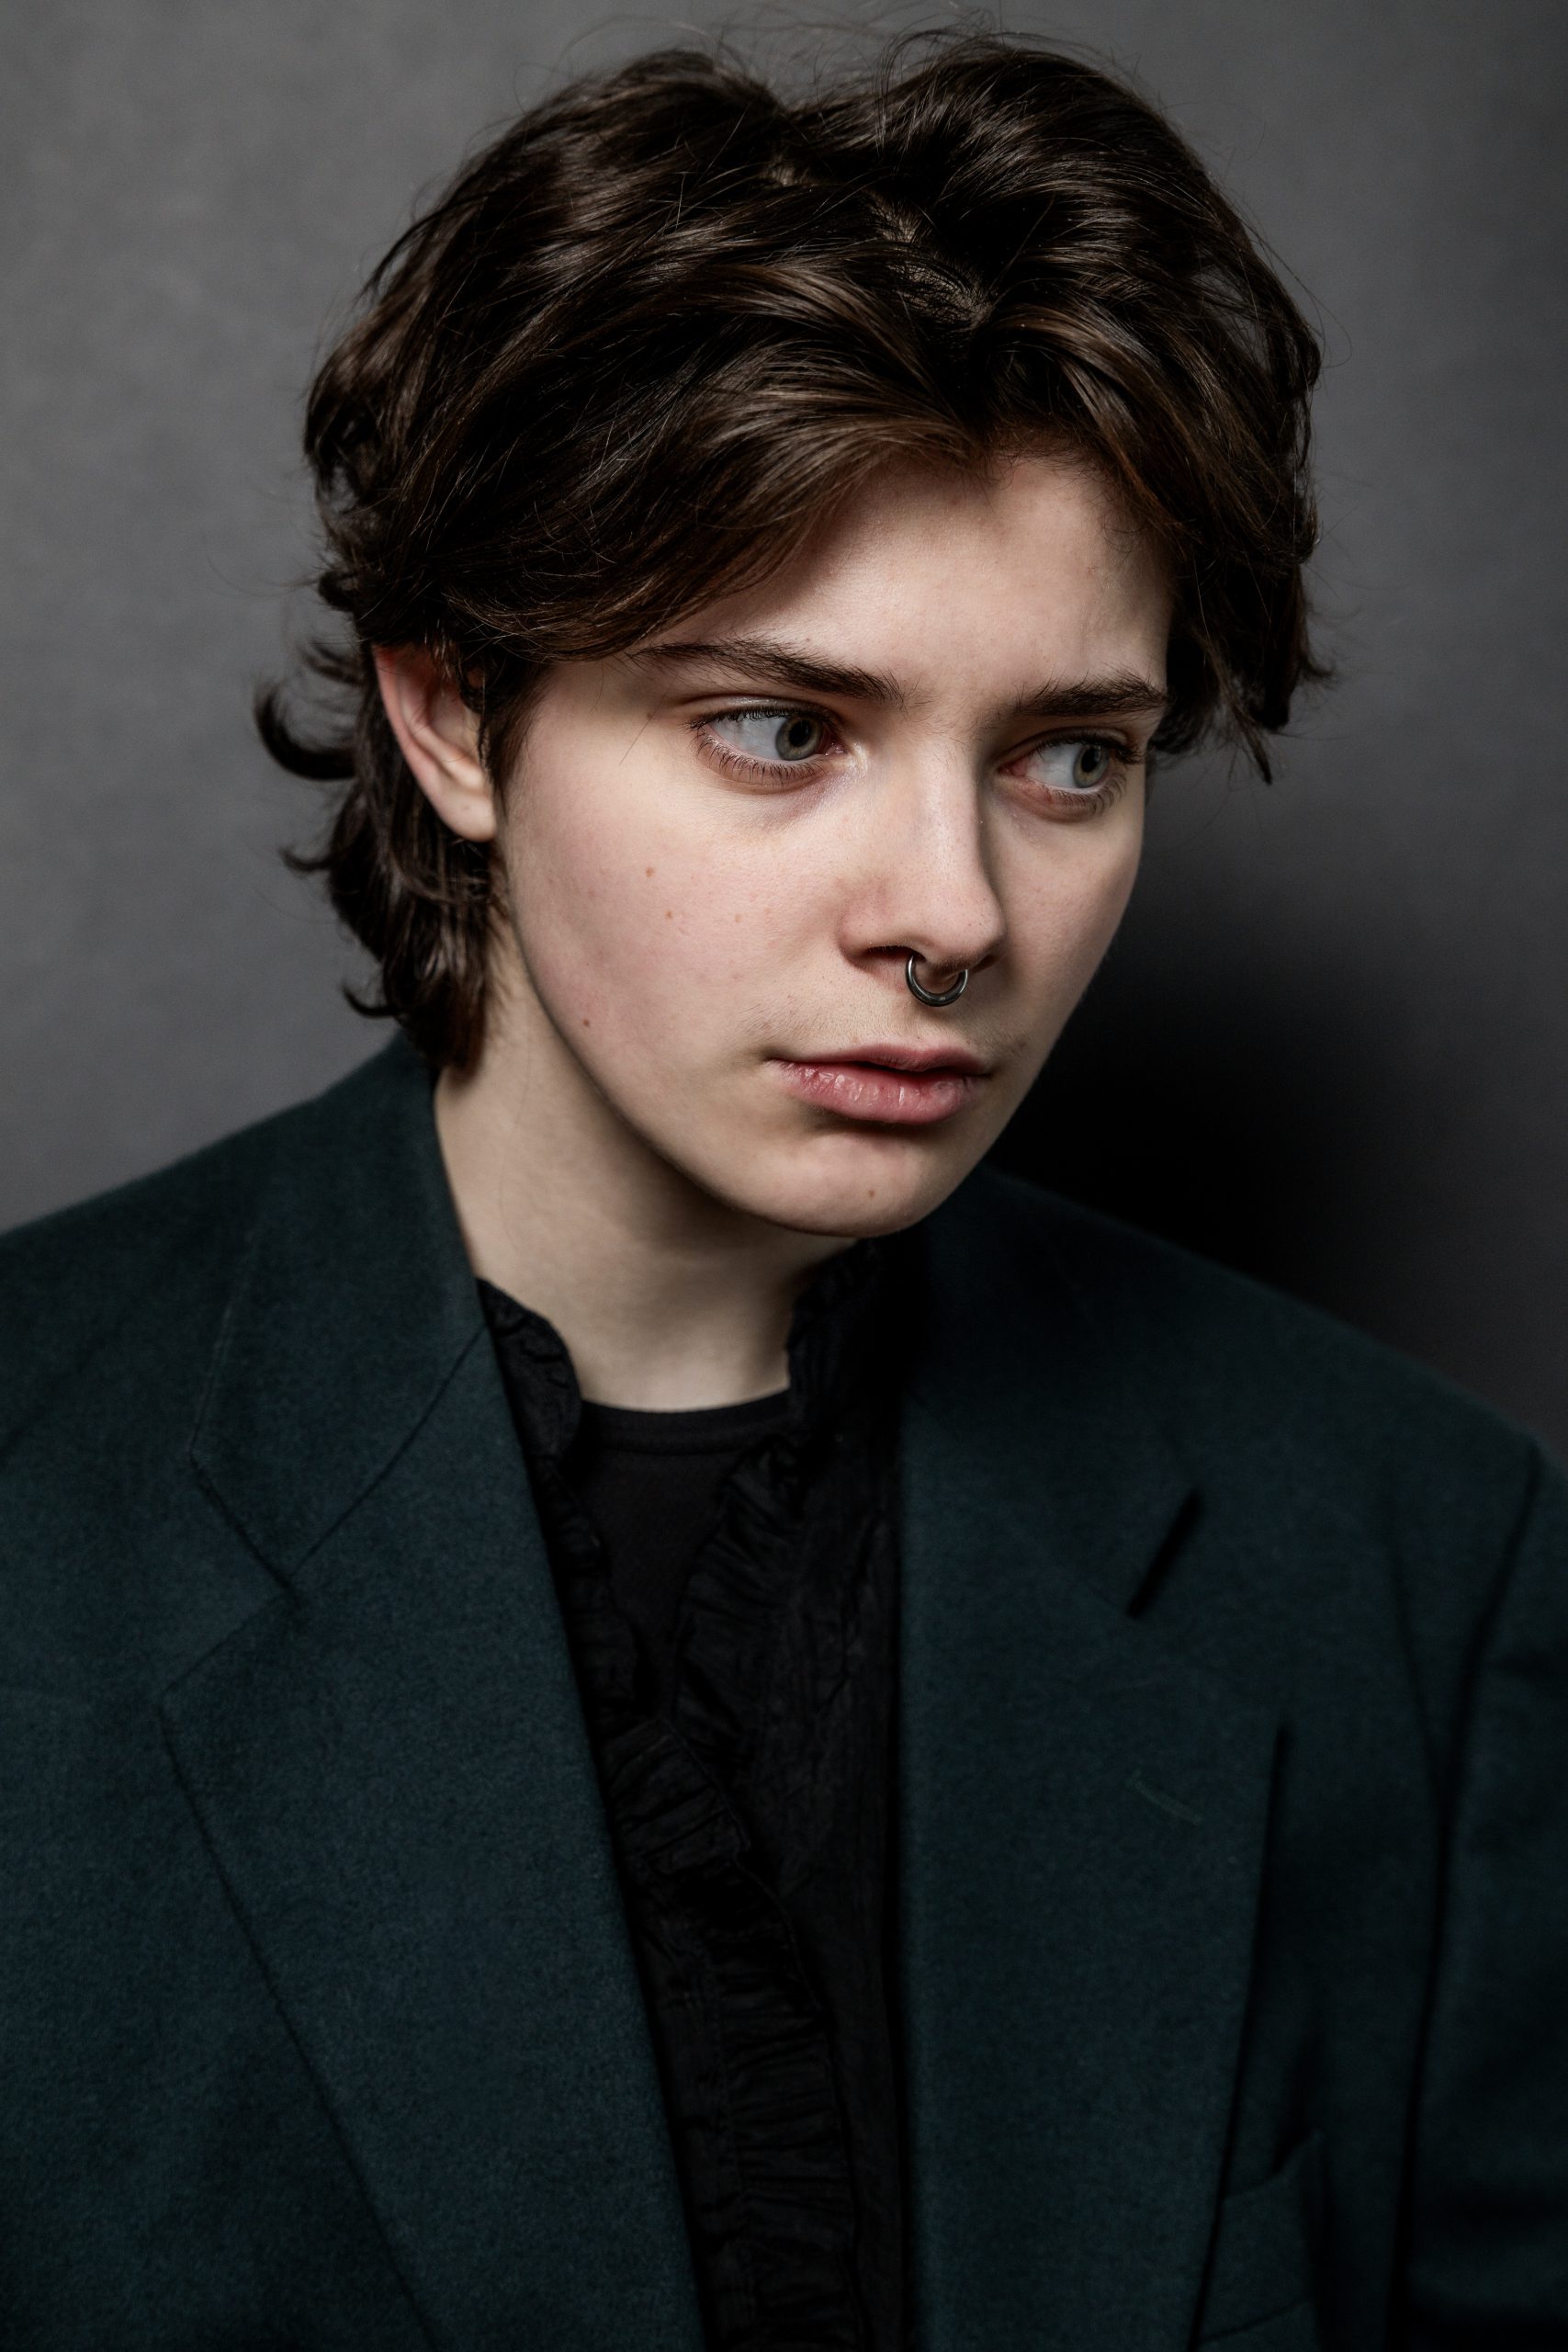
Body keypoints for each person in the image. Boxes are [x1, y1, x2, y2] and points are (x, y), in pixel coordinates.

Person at [1, 31, 1563, 2350]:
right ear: (453, 715)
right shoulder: (34, 1502)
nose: (950, 908)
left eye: (1067, 757)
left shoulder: (1407, 1561)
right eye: (781, 729)